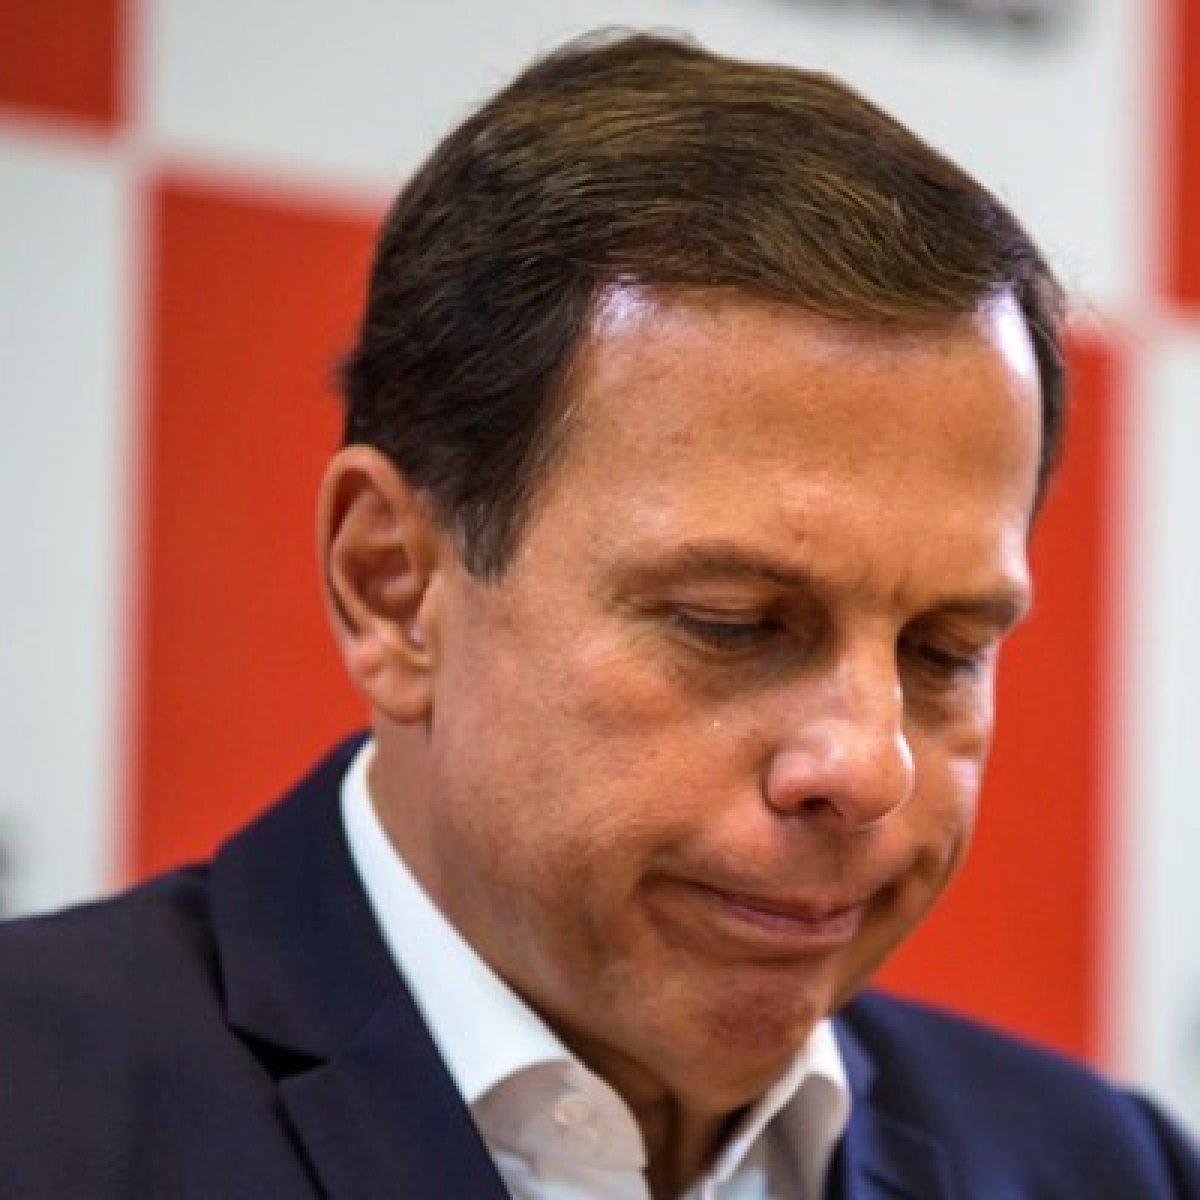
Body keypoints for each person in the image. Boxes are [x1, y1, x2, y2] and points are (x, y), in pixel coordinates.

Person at [1, 30, 1196, 1200]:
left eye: (946, 651)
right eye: (733, 622)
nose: (869, 768)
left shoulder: (1112, 1169)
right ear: (394, 586)